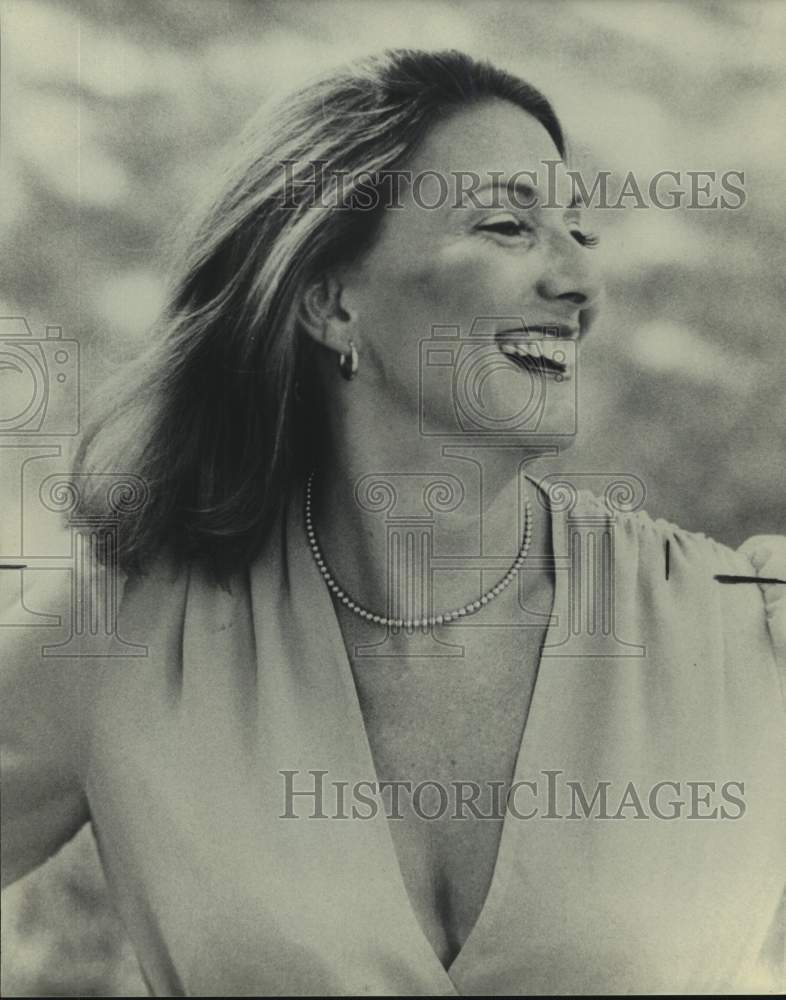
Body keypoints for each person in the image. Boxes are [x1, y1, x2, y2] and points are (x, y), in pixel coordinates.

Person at [1, 49, 784, 996]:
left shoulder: (751, 631)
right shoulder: (125, 641)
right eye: (507, 225)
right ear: (332, 300)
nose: (581, 284)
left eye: (582, 232)